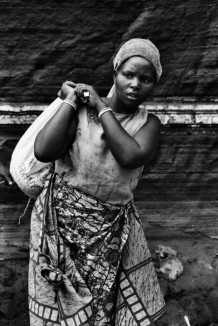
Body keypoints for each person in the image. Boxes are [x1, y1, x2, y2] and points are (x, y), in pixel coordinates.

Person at [29, 38, 165, 326]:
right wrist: (69, 100)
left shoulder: (148, 124)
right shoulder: (79, 111)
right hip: (60, 227)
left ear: (154, 85)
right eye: (128, 74)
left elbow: (130, 156)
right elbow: (43, 151)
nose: (135, 84)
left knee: (97, 309)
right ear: (115, 72)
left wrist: (102, 107)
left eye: (146, 79)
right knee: (58, 303)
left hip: (106, 235)